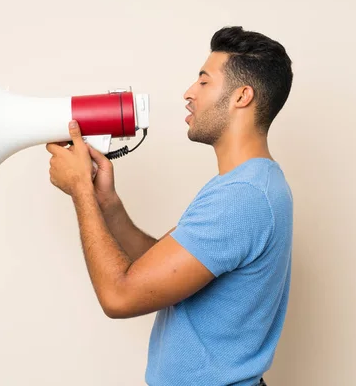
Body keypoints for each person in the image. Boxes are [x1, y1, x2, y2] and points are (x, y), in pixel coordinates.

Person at [45, 25, 294, 386]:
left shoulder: (242, 197)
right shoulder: (250, 185)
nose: (189, 93)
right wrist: (107, 204)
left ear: (242, 96)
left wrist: (80, 189)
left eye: (204, 81)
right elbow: (161, 266)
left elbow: (120, 296)